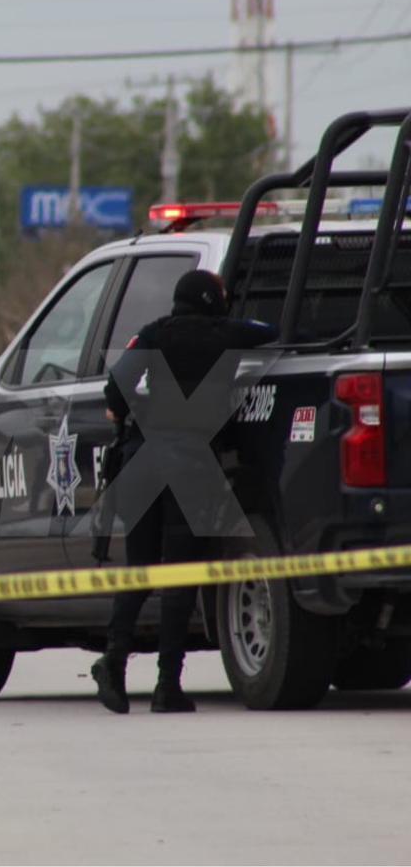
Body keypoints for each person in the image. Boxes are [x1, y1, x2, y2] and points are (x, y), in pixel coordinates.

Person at [91, 269, 276, 714]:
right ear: (213, 300)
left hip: (141, 458)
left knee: (140, 571)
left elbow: (115, 388)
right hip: (189, 465)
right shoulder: (228, 334)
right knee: (179, 575)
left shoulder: (153, 333)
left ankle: (113, 663)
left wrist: (122, 414)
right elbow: (273, 333)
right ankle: (166, 687)